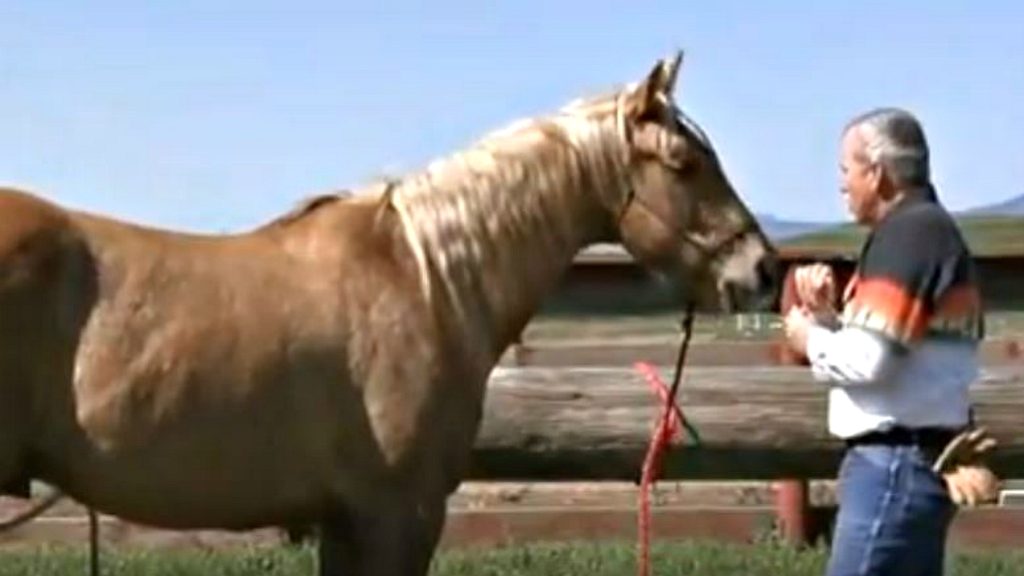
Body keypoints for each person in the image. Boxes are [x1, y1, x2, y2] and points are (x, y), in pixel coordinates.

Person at [782, 107, 999, 576]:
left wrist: (809, 335)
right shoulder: (927, 231)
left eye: (846, 169)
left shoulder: (907, 236)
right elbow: (900, 350)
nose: (842, 184)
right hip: (915, 461)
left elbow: (870, 361)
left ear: (877, 174)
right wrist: (829, 316)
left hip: (894, 465)